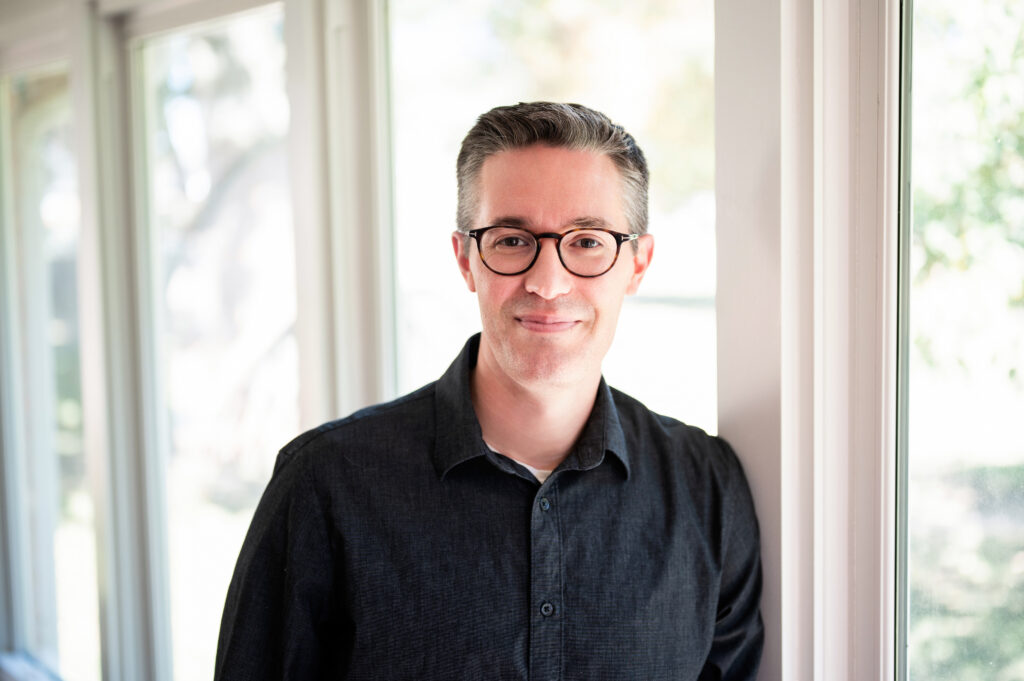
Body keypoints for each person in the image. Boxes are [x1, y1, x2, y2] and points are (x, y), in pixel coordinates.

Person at [215, 101, 763, 680]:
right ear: (465, 259)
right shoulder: (325, 482)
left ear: (638, 263)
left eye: (587, 241)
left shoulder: (708, 489)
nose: (548, 283)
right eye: (510, 240)